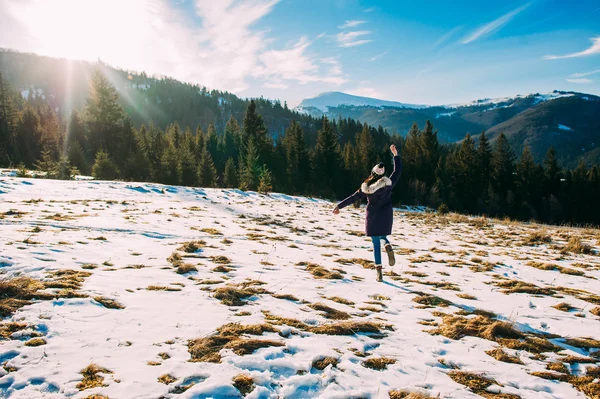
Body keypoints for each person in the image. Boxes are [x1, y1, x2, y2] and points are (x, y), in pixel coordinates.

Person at [333, 144, 402, 282]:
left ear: (372, 174)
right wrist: (396, 155)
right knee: (383, 236)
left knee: (375, 244)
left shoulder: (366, 188)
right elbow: (397, 171)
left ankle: (379, 273)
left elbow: (353, 197)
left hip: (373, 217)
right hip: (386, 215)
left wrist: (339, 206)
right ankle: (387, 244)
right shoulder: (388, 184)